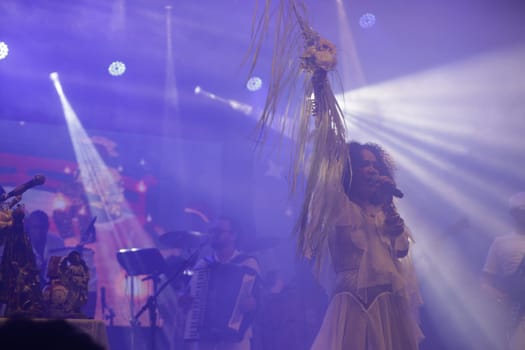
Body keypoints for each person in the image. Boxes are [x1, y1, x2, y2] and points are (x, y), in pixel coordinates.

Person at [308, 141, 423, 350]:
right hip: (353, 302)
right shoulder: (342, 208)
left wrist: (387, 204)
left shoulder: (382, 213)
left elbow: (401, 250)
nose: (371, 170)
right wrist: (330, 139)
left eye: (375, 166)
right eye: (364, 164)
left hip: (388, 306)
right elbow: (327, 184)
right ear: (349, 170)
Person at [182, 216, 261, 350]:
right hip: (206, 337)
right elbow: (190, 295)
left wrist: (253, 303)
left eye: (219, 231)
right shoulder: (203, 265)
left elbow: (260, 299)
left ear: (233, 235)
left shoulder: (247, 263)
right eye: (212, 231)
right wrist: (185, 300)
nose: (214, 234)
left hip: (235, 337)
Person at [482, 191, 525, 350]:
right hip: (518, 312)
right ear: (514, 214)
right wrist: (502, 298)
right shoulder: (501, 242)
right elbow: (486, 282)